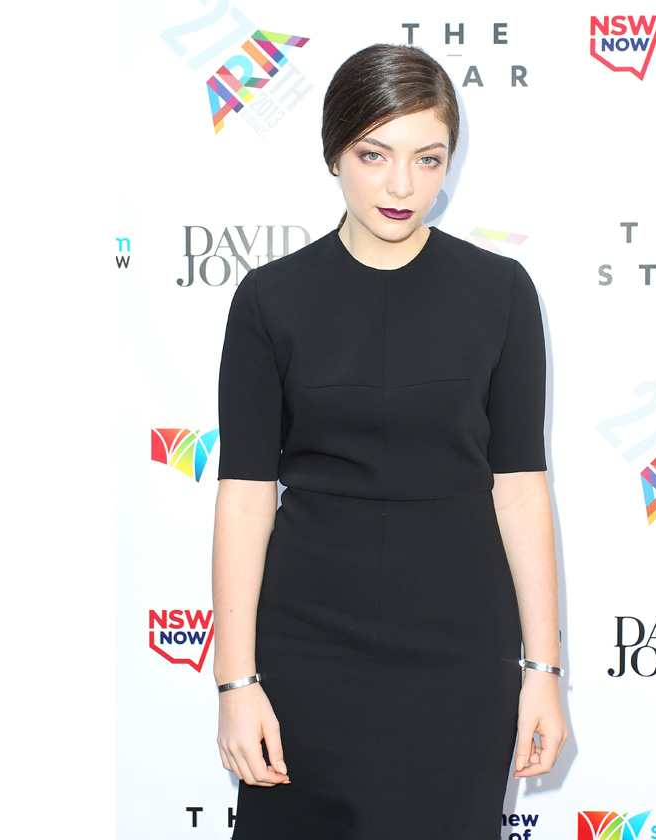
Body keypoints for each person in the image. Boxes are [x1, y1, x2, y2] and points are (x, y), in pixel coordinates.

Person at [211, 43, 566, 839]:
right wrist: (236, 682)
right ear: (335, 153)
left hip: (460, 659)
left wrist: (543, 672)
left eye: (427, 158)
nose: (402, 185)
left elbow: (520, 490)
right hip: (307, 653)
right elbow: (243, 500)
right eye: (375, 154)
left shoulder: (501, 294)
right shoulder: (269, 301)